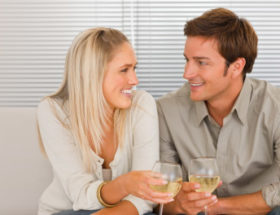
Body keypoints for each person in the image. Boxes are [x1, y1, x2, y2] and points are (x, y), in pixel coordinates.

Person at [37, 27, 173, 215]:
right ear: (91, 73)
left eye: (134, 68)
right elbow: (80, 195)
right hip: (67, 211)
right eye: (124, 70)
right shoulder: (53, 110)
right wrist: (125, 184)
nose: (134, 80)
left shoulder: (141, 104)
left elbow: (145, 196)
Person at [157, 8, 280, 215]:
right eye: (187, 60)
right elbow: (161, 196)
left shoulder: (274, 107)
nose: (187, 73)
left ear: (236, 66)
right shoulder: (167, 110)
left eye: (201, 62)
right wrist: (178, 203)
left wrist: (217, 207)